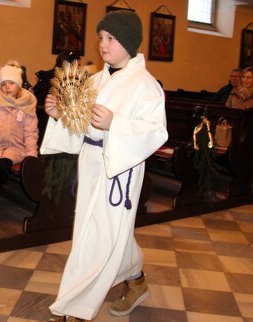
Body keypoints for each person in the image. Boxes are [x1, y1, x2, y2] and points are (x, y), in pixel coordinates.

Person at [41, 10, 168, 321]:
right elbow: (81, 125)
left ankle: (74, 307)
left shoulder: (145, 85)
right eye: (100, 37)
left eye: (110, 38)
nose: (103, 44)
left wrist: (116, 124)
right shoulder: (95, 79)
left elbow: (156, 130)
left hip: (119, 167)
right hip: (92, 161)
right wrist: (60, 115)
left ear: (128, 41)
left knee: (100, 236)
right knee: (97, 229)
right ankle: (135, 282)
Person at [0, 65, 39, 201]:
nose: (7, 87)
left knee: (3, 166)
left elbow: (31, 133)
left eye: (12, 83)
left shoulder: (26, 106)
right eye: (3, 84)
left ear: (19, 85)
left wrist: (31, 156)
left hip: (14, 148)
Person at [226, 66, 253, 140]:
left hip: (251, 131)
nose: (245, 80)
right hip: (232, 127)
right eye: (243, 77)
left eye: (249, 77)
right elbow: (227, 109)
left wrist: (245, 124)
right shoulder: (234, 92)